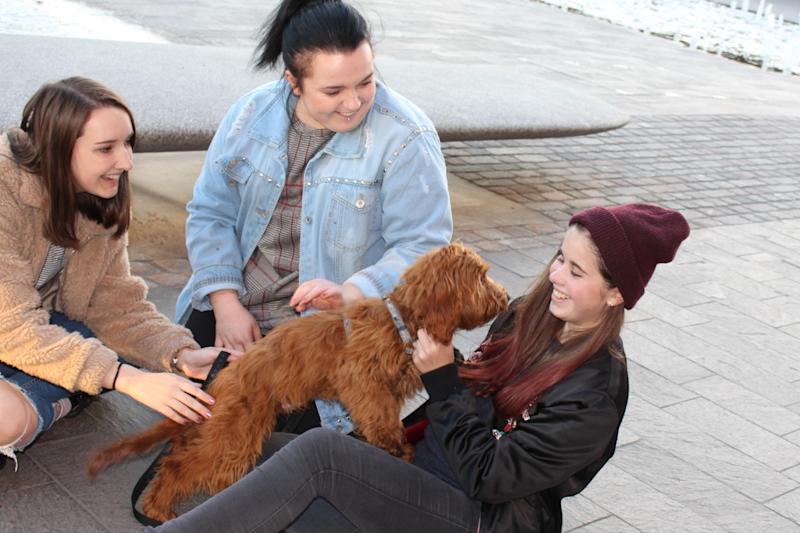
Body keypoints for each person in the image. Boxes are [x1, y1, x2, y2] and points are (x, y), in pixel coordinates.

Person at [152, 203, 690, 532]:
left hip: (475, 514)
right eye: (558, 257)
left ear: (617, 293)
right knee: (266, 458)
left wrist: (442, 377)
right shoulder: (530, 315)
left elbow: (491, 476)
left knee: (318, 458)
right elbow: (472, 390)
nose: (554, 276)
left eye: (576, 271)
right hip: (423, 469)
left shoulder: (595, 391)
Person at [175, 0, 452, 434]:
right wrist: (226, 304)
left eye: (366, 81)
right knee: (191, 423)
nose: (354, 102)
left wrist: (353, 292)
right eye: (333, 91)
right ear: (294, 81)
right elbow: (210, 211)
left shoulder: (406, 136)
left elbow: (424, 247)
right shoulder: (251, 114)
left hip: (325, 331)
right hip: (238, 305)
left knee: (269, 461)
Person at [0, 77, 235, 472]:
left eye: (128, 143)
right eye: (106, 148)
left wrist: (181, 356)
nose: (126, 161)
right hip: (16, 328)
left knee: (11, 419)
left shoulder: (100, 197)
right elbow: (11, 326)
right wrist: (122, 376)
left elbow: (116, 305)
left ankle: (69, 383)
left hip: (40, 330)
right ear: (58, 150)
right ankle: (70, 388)